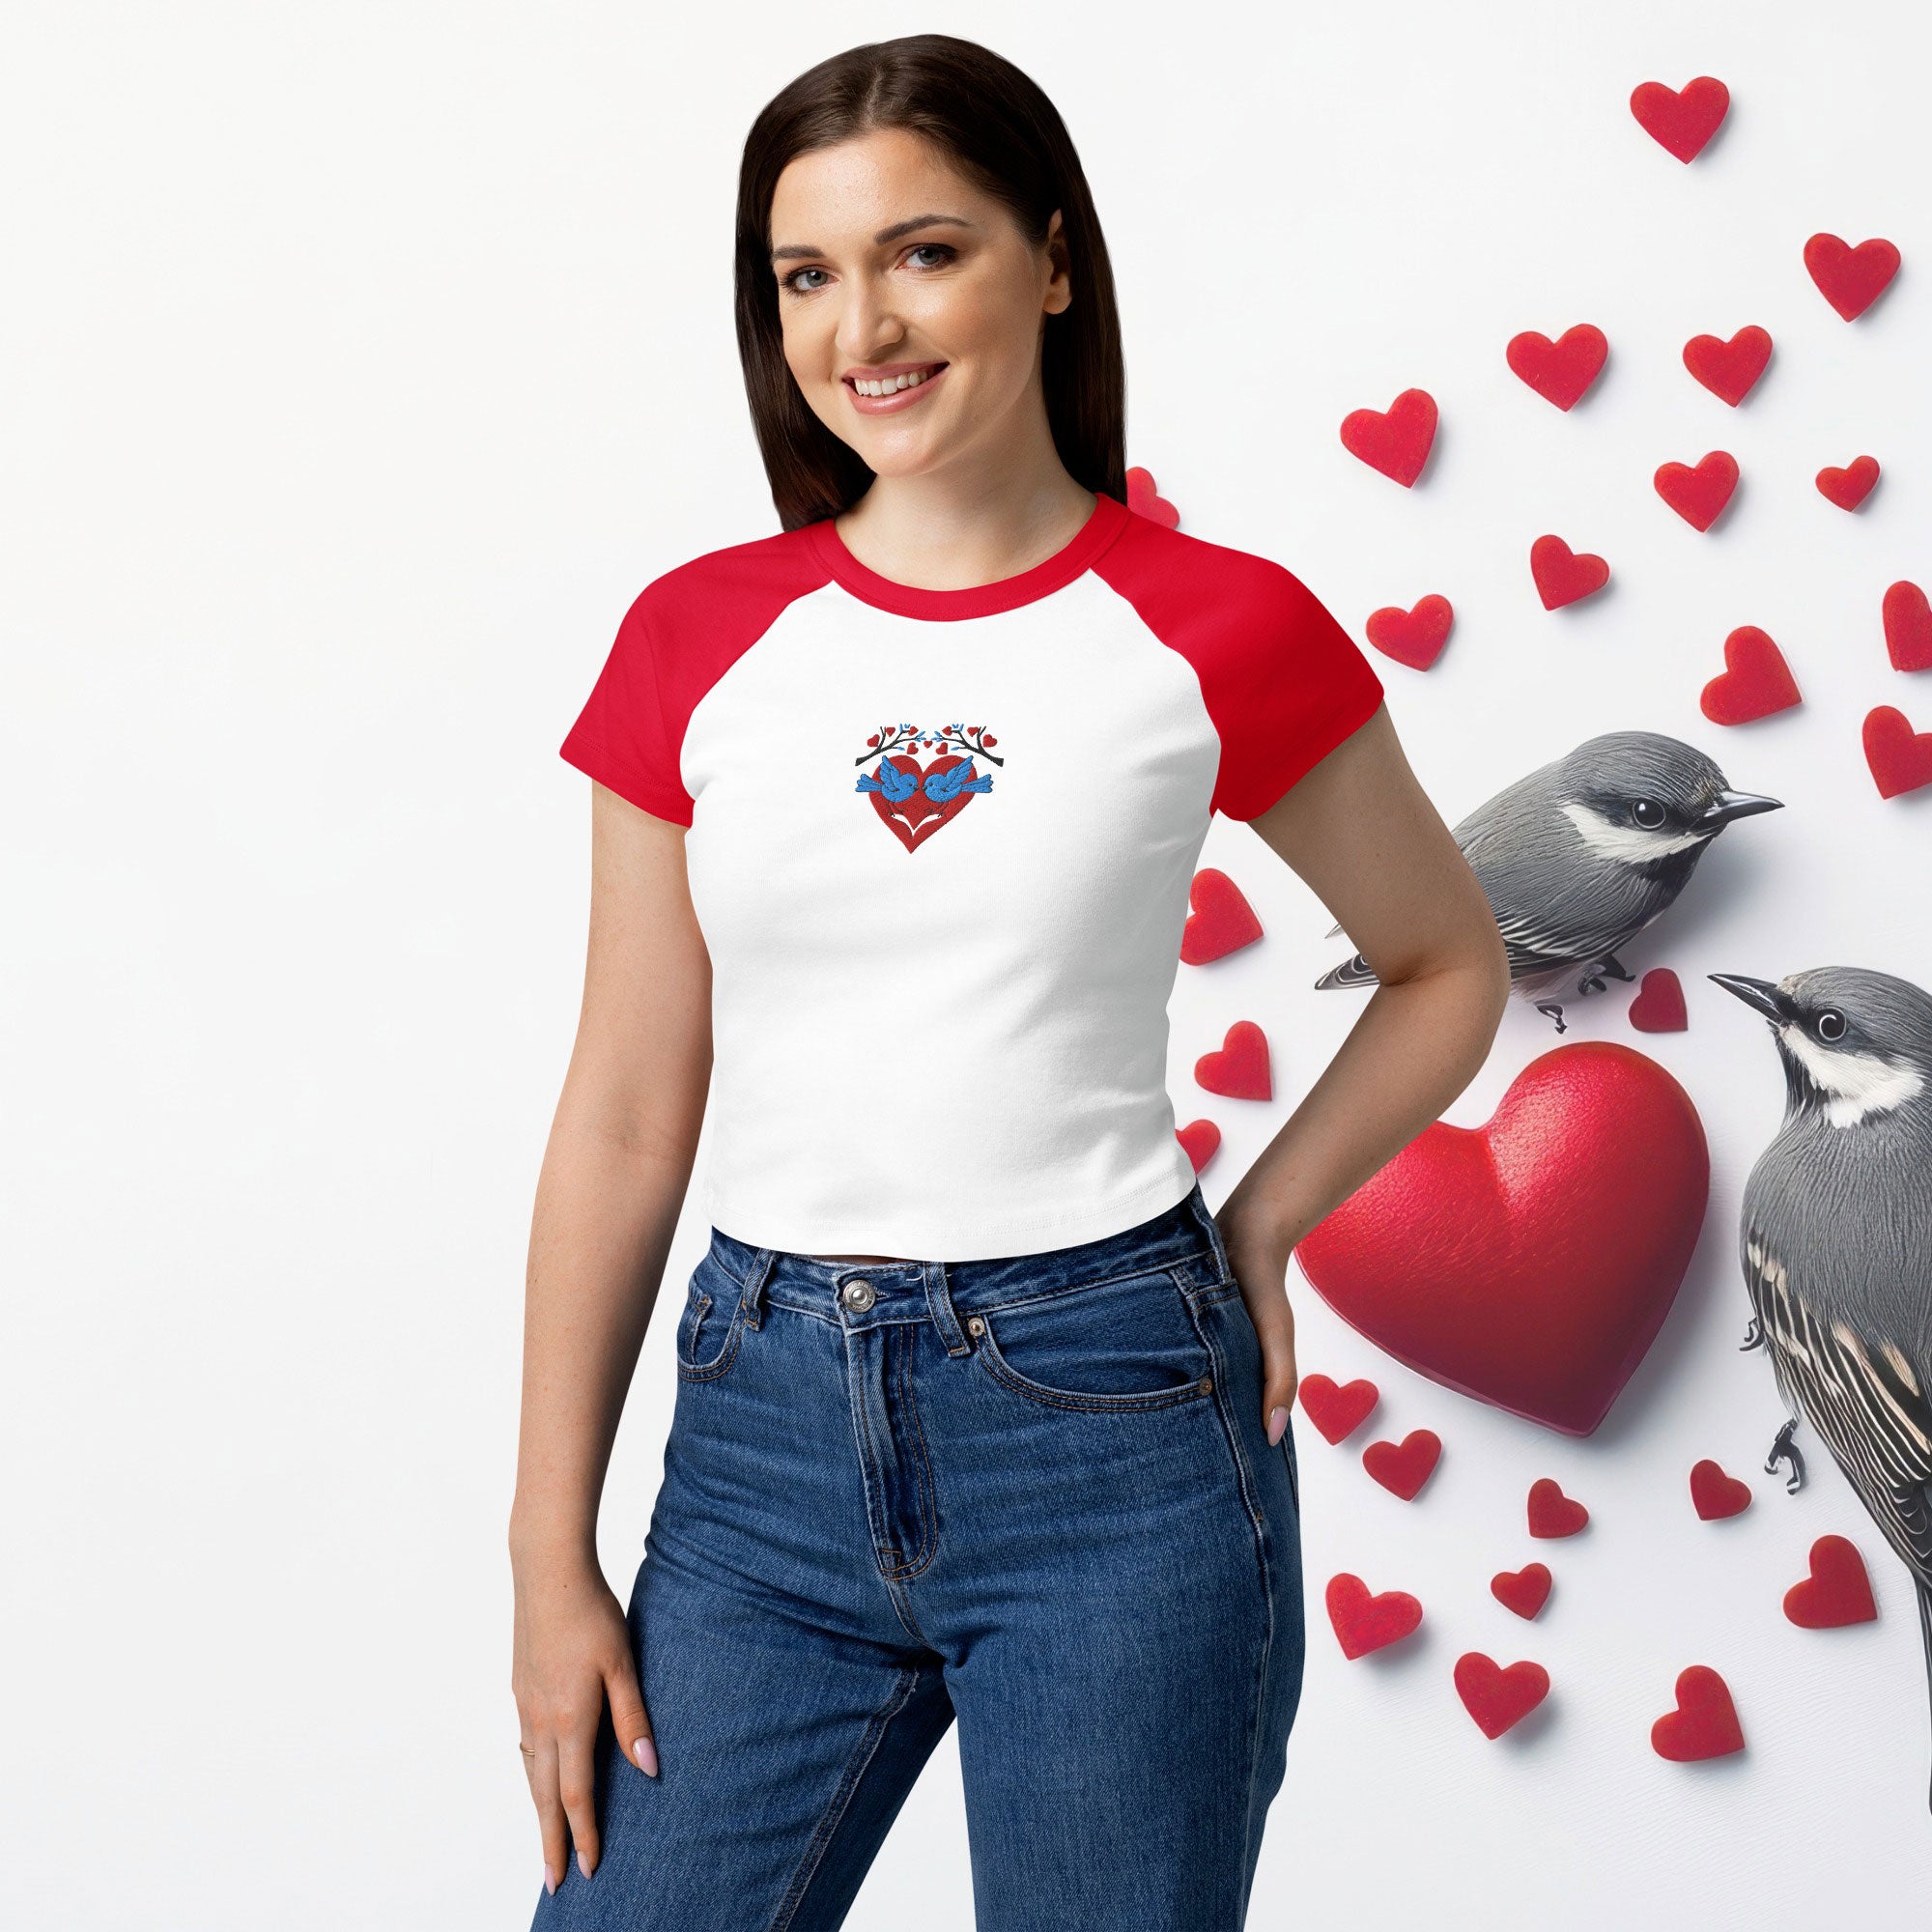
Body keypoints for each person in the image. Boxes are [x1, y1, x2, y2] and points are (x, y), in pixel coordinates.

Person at [509, 31, 1508, 1931]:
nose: (862, 327)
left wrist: (1263, 1221)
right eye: (806, 274)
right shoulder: (698, 639)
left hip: (1116, 1432)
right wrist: (544, 1552)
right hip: (755, 1449)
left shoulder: (1216, 626)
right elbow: (628, 1114)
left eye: (925, 252)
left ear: (1051, 261)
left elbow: (1445, 960)